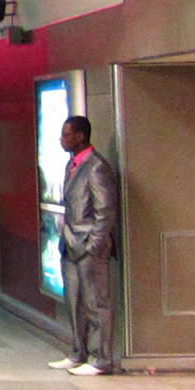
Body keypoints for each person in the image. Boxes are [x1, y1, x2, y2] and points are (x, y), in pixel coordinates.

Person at [50, 114, 119, 376]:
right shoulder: (73, 164)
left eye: (65, 134)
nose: (61, 139)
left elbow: (105, 210)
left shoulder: (96, 166)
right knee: (74, 301)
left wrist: (95, 244)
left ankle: (101, 358)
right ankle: (78, 352)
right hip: (70, 244)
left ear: (80, 136)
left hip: (89, 245)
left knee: (95, 303)